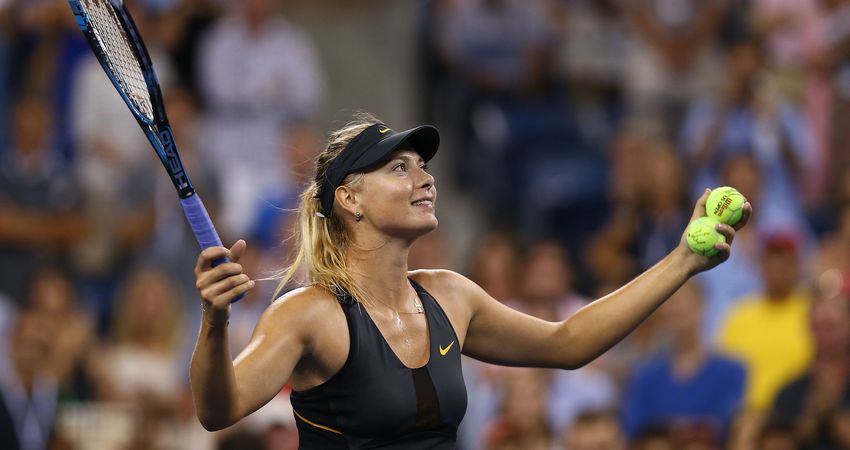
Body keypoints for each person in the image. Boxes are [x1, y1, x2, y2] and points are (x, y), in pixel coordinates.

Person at [189, 114, 751, 448]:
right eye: (399, 168)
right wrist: (215, 323)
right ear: (350, 198)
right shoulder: (308, 312)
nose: (425, 177)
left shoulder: (449, 294)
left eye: (423, 165)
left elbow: (569, 342)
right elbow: (219, 408)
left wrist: (683, 260)